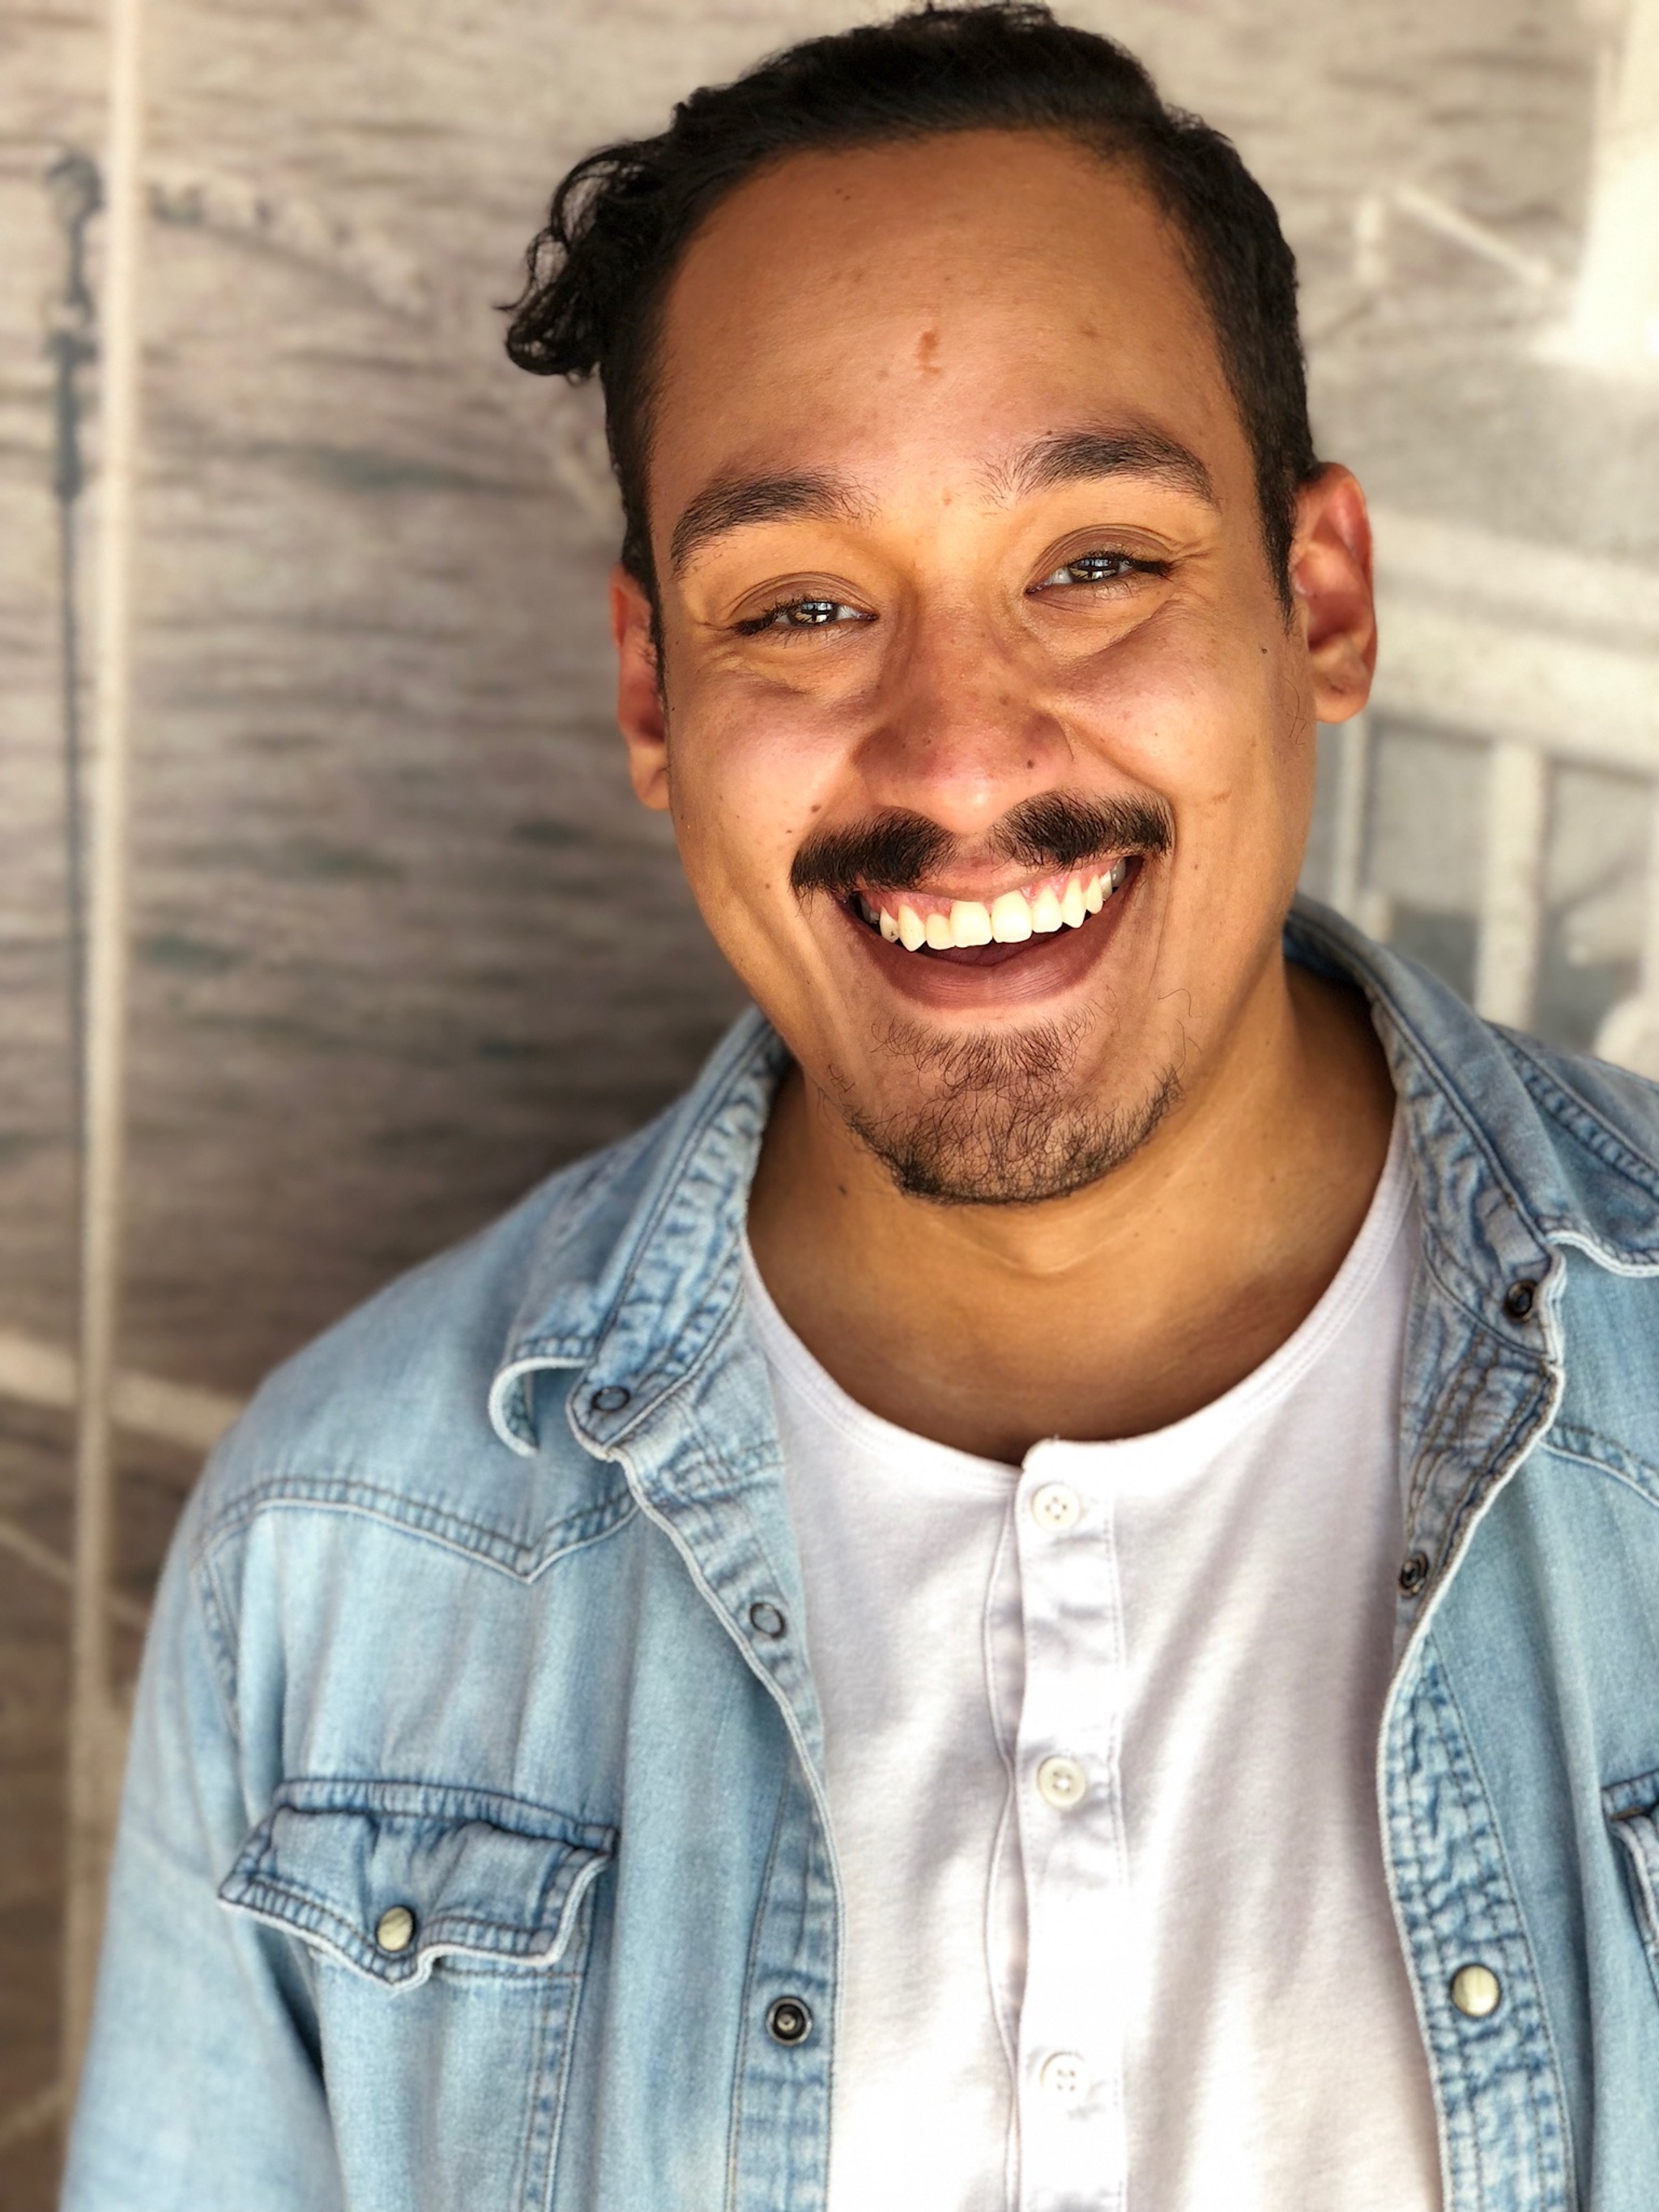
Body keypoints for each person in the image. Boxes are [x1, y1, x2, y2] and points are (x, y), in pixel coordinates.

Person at [62, 7, 1659, 2209]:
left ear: (1320, 600)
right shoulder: (340, 1566)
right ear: (651, 688)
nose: (962, 755)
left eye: (1094, 559)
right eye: (802, 604)